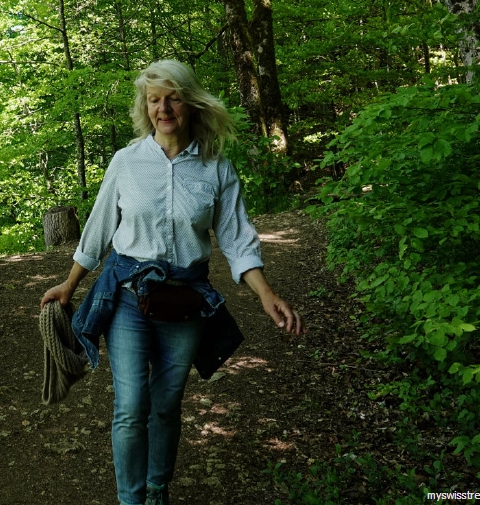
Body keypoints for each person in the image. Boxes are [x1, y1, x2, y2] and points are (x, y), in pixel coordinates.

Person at [39, 59, 304, 505]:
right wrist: (69, 285)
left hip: (185, 300)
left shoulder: (216, 168)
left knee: (165, 404)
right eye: (154, 100)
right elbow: (99, 230)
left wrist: (267, 294)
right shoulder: (126, 161)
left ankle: (157, 488)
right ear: (146, 107)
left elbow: (237, 239)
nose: (163, 108)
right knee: (130, 407)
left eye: (173, 98)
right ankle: (131, 500)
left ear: (191, 103)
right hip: (127, 295)